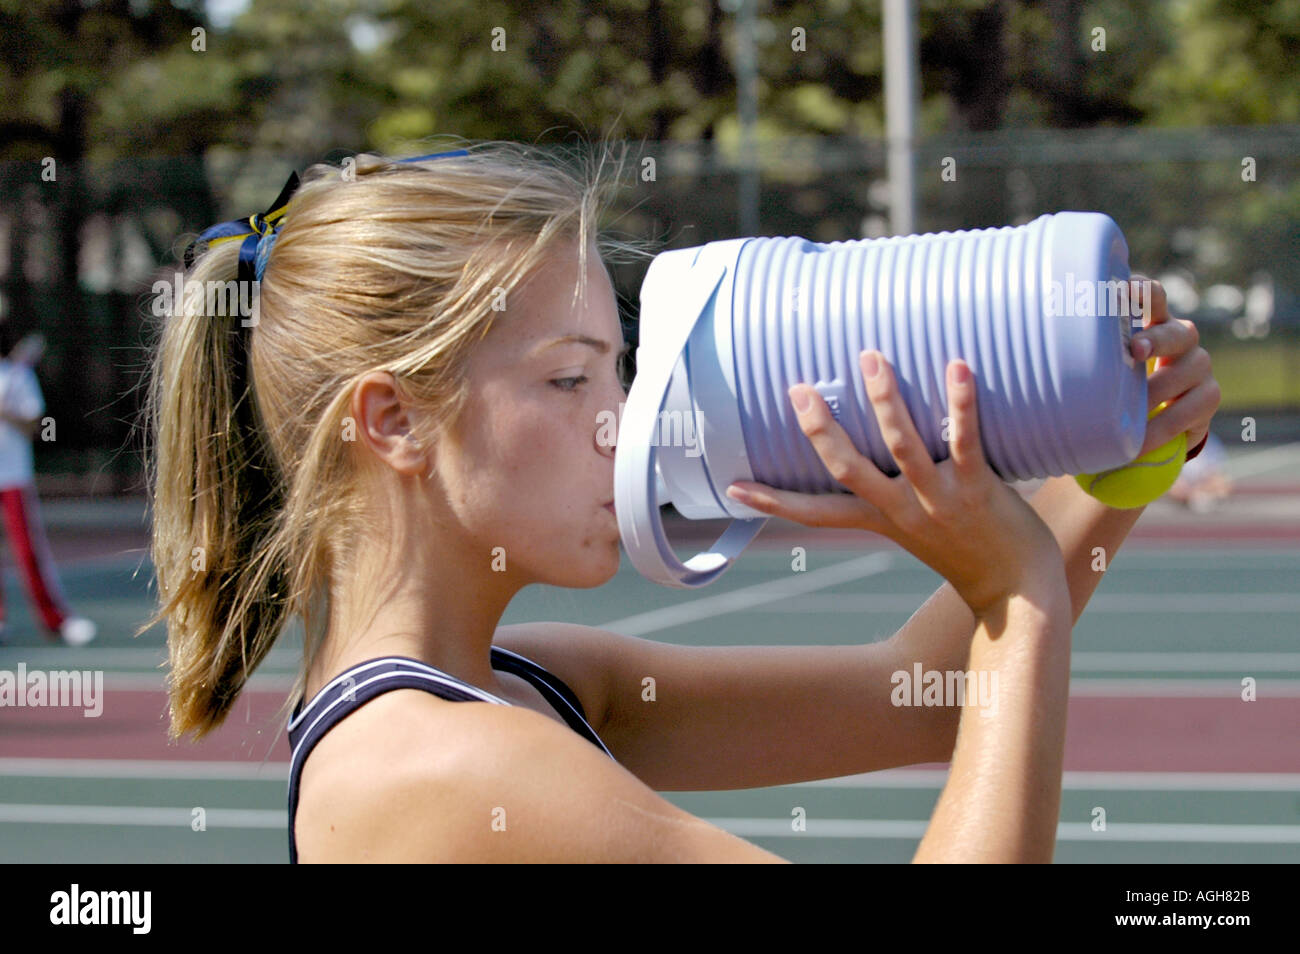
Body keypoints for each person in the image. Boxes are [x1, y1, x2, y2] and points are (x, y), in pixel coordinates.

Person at [143, 141, 1221, 863]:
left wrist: (1126, 454)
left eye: (616, 372)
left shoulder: (539, 686)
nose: (619, 421)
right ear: (393, 422)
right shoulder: (440, 767)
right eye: (570, 380)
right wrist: (1016, 588)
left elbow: (925, 697)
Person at [0, 332, 96, 646]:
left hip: (13, 478)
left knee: (28, 553)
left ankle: (57, 620)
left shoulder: (19, 376)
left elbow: (36, 427)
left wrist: (4, 411)